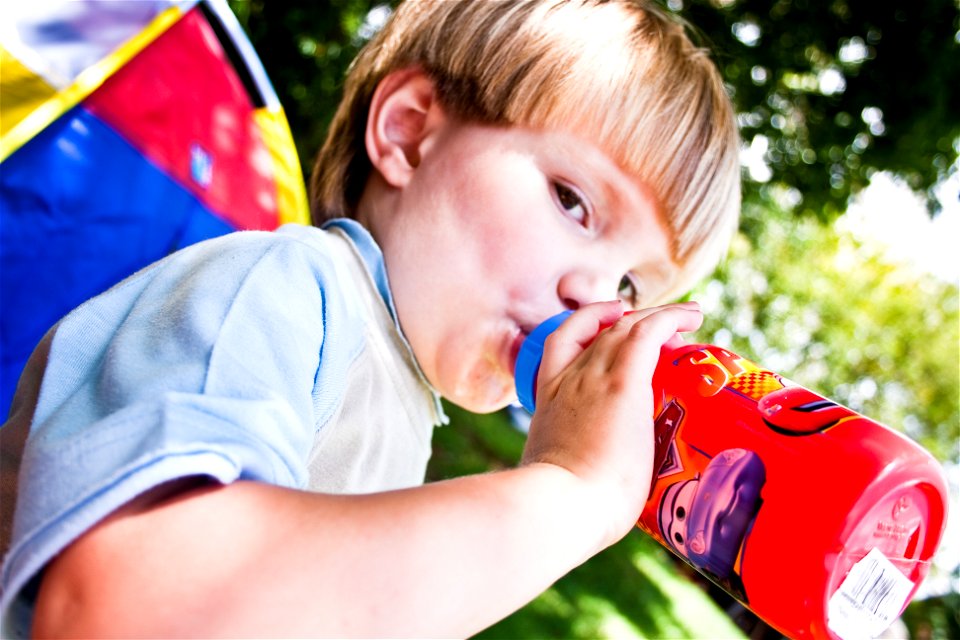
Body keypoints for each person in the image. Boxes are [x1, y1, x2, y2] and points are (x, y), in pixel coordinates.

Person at [0, 0, 740, 636]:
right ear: (410, 132)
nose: (597, 297)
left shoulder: (401, 413)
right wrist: (570, 497)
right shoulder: (291, 290)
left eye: (633, 285)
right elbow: (130, 607)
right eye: (572, 201)